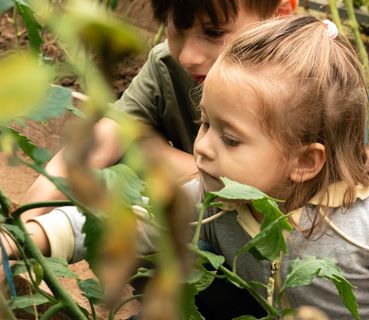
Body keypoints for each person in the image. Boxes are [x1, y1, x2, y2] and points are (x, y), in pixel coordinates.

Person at [29, 15, 369, 319]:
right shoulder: (215, 201)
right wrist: (37, 235)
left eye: (230, 138)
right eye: (204, 122)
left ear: (305, 161)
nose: (201, 147)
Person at [20, 0, 297, 221]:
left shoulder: (308, 86)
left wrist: (155, 152)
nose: (188, 57)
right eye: (175, 30)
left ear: (281, 14)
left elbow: (266, 199)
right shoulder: (166, 65)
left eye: (214, 33)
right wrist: (17, 232)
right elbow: (92, 148)